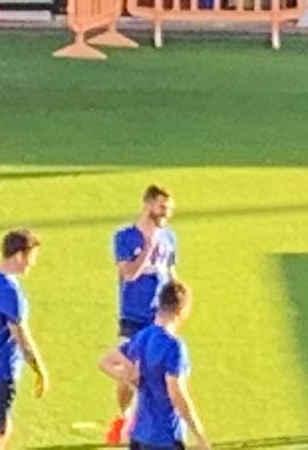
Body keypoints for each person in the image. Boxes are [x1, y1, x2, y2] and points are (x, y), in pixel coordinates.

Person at [97, 281, 211, 450]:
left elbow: (105, 361)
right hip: (165, 437)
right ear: (183, 311)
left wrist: (127, 374)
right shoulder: (174, 346)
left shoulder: (142, 337)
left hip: (139, 433)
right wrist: (200, 436)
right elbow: (176, 393)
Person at [106, 185, 179, 445]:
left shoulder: (170, 238)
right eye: (162, 207)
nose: (165, 214)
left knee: (161, 370)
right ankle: (123, 416)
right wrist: (148, 247)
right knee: (128, 366)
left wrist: (176, 309)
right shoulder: (125, 237)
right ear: (148, 204)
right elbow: (128, 274)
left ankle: (147, 419)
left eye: (169, 209)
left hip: (159, 317)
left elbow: (171, 275)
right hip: (133, 314)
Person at [0, 229, 49, 450]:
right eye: (31, 257)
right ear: (19, 255)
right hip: (0, 371)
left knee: (1, 427)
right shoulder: (10, 291)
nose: (32, 264)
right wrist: (40, 370)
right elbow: (20, 335)